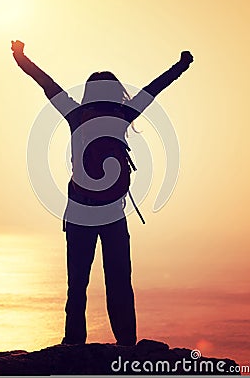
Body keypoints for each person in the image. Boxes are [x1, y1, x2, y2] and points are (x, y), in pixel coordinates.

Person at [11, 40, 193, 346]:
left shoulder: (75, 114)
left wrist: (21, 57)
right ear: (114, 93)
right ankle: (126, 344)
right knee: (120, 281)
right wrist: (180, 66)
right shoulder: (123, 115)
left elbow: (46, 83)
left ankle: (73, 344)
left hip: (81, 210)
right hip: (112, 212)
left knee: (77, 284)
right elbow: (154, 89)